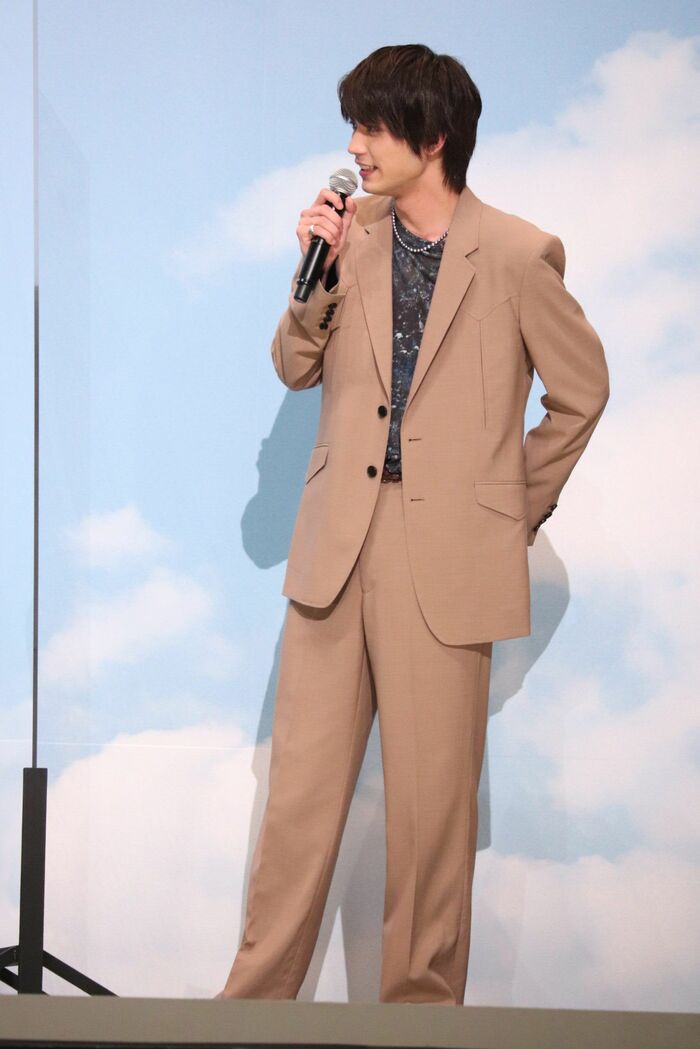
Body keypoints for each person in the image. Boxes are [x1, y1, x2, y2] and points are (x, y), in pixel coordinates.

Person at [216, 43, 609, 1005]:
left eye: (371, 126)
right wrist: (311, 272)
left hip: (447, 559)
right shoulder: (348, 236)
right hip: (334, 549)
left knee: (432, 816)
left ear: (432, 138)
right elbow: (293, 367)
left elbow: (582, 393)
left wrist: (506, 512)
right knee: (298, 804)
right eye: (353, 125)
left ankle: (421, 1016)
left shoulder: (518, 254)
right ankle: (251, 1009)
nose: (354, 145)